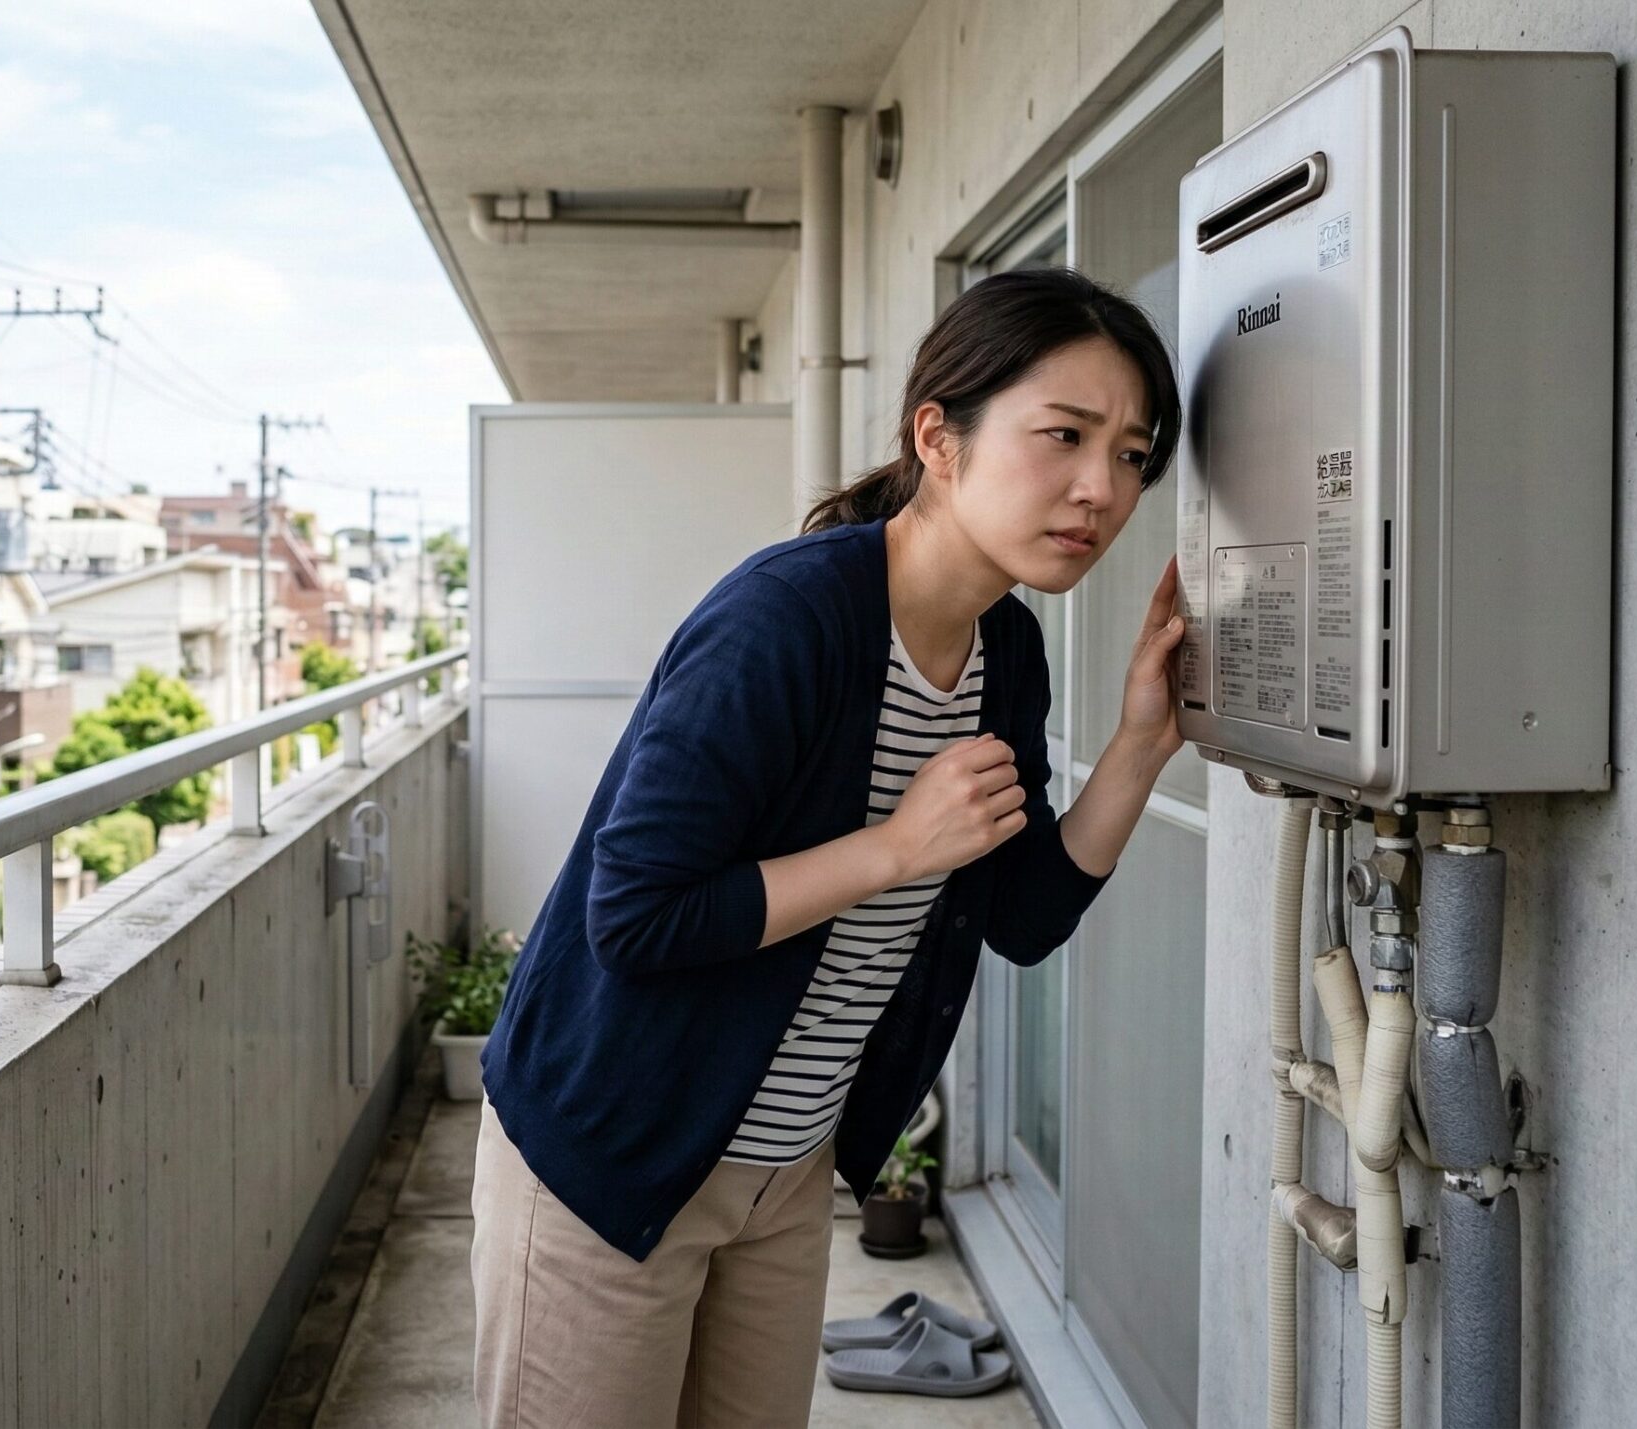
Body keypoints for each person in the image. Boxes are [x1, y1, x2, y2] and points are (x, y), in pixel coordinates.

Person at [468, 267, 1193, 1427]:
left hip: (782, 1174)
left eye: (1131, 453)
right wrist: (895, 849)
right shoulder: (785, 617)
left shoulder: (1004, 651)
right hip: (612, 1151)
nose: (1098, 487)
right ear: (938, 438)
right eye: (1064, 434)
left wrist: (1140, 747)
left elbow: (1017, 915)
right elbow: (636, 915)